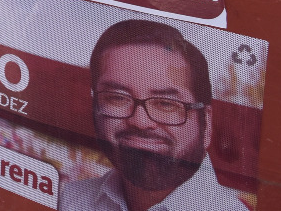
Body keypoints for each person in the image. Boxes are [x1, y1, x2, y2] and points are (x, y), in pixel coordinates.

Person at [57, 19, 246, 211]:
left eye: (166, 103)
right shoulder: (69, 199)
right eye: (117, 98)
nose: (140, 121)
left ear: (205, 123)